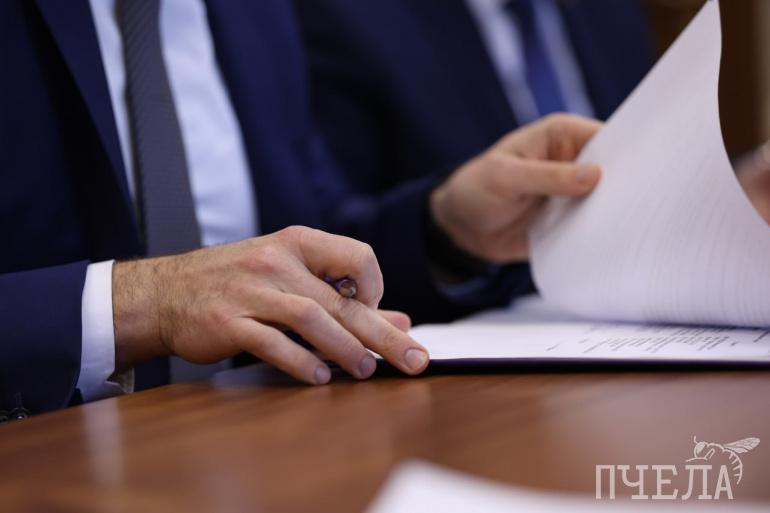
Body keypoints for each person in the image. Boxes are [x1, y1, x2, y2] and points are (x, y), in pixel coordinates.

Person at [0, 0, 603, 417]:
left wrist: (446, 227)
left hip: (263, 434)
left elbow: (309, 244)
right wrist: (147, 301)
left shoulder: (252, 13)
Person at [293, 0, 653, 294]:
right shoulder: (345, 18)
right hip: (485, 318)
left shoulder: (607, 10)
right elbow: (330, 238)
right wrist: (450, 231)